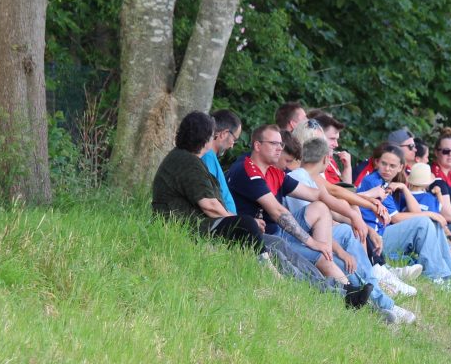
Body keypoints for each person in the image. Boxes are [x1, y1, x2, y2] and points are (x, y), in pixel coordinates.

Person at [226, 124, 372, 307]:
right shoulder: (247, 170)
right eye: (274, 144)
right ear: (257, 145)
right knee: (317, 254)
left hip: (277, 234)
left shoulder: (274, 172)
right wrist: (312, 243)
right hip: (258, 237)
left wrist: (353, 215)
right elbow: (278, 212)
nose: (279, 148)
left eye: (280, 144)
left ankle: (349, 287)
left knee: (320, 208)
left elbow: (318, 195)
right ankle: (346, 292)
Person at [287, 137, 417, 323]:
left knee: (349, 232)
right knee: (345, 252)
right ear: (326, 159)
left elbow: (334, 208)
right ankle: (381, 301)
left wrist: (361, 223)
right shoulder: (299, 178)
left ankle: (376, 294)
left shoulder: (308, 178)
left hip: (315, 238)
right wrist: (341, 251)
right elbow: (310, 228)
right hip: (302, 241)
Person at [152, 111, 264, 251]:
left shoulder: (185, 158)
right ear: (205, 139)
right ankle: (264, 261)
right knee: (247, 224)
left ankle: (266, 259)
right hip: (184, 226)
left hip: (189, 223)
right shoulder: (188, 163)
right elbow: (209, 205)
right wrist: (235, 221)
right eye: (212, 136)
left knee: (249, 227)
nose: (214, 139)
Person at [357, 145, 451, 285]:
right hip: (374, 239)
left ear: (400, 167)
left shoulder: (389, 183)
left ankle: (448, 274)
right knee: (424, 223)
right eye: (384, 163)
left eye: (392, 166)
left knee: (432, 223)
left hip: (382, 234)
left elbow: (416, 212)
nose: (387, 169)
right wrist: (430, 213)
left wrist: (404, 188)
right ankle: (435, 276)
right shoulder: (374, 182)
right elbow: (396, 218)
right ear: (377, 163)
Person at [200, 109, 242, 214]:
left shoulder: (210, 156)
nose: (232, 146)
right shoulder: (207, 156)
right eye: (234, 140)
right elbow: (210, 200)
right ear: (224, 134)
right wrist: (235, 220)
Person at [308, 110, 353, 185]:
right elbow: (332, 190)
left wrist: (347, 167)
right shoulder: (310, 161)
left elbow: (346, 188)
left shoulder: (329, 159)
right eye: (332, 139)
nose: (336, 145)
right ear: (317, 135)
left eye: (337, 139)